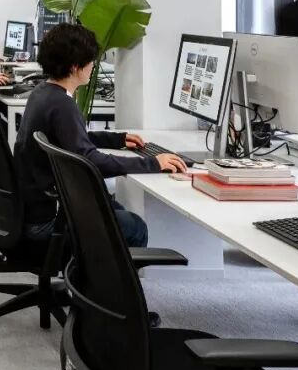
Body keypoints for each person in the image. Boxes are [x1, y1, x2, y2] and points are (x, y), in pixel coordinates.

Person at [14, 23, 187, 248]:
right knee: (135, 227)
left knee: (113, 207)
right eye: (90, 61)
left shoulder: (43, 93)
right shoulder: (63, 105)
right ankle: (102, 273)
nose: (93, 65)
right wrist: (152, 163)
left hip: (34, 211)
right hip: (47, 223)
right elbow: (90, 161)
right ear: (76, 67)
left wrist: (116, 139)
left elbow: (69, 138)